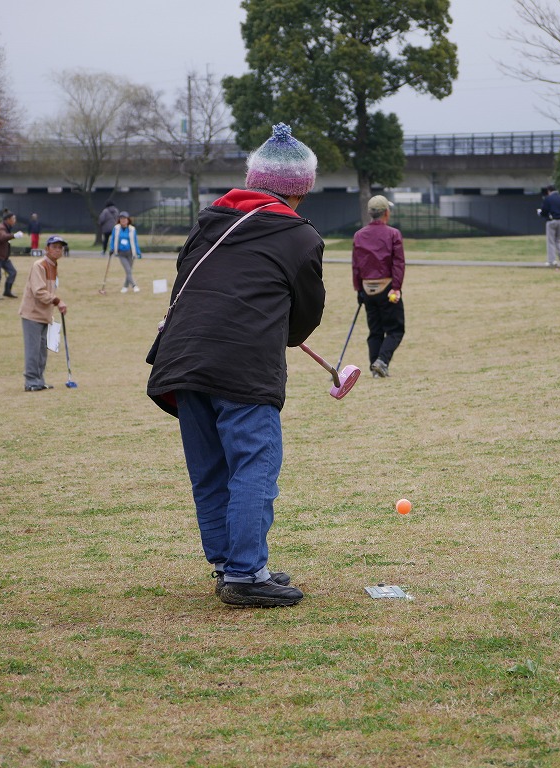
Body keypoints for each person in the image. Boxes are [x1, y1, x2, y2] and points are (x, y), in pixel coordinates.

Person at [146, 122, 324, 608]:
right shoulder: (300, 237)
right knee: (252, 467)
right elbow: (306, 316)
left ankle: (231, 564)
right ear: (299, 190)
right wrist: (286, 333)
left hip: (183, 361)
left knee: (211, 471)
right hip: (242, 367)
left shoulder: (208, 221)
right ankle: (246, 574)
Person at [352, 194, 405, 378]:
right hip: (387, 287)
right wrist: (396, 287)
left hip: (367, 289)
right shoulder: (393, 234)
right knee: (396, 330)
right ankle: (381, 361)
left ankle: (375, 367)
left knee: (375, 331)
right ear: (386, 213)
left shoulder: (359, 235)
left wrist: (359, 289)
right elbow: (398, 263)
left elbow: (356, 265)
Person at [18, 235, 68, 391]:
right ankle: (31, 382)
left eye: (60, 247)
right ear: (47, 249)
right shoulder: (39, 265)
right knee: (33, 350)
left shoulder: (53, 266)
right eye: (54, 247)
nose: (58, 250)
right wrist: (57, 301)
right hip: (32, 314)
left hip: (44, 314)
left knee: (41, 351)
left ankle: (39, 380)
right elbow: (39, 291)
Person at [0, 211, 23, 299]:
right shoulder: (1, 228)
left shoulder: (7, 227)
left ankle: (7, 291)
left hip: (4, 256)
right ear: (8, 220)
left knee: (12, 272)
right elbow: (3, 237)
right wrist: (14, 236)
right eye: (13, 219)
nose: (15, 220)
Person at [108, 211, 142, 293]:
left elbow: (135, 241)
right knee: (128, 269)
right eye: (121, 219)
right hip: (121, 253)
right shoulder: (116, 228)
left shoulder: (132, 229)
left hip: (130, 253)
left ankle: (125, 287)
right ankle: (134, 285)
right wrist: (112, 248)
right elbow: (113, 239)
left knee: (129, 271)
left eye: (125, 219)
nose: (123, 220)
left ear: (128, 220)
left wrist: (138, 252)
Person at [538, 184, 560, 267]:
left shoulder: (548, 198)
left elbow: (544, 211)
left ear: (549, 191)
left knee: (551, 241)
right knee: (558, 239)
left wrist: (540, 213)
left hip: (552, 220)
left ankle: (552, 260)